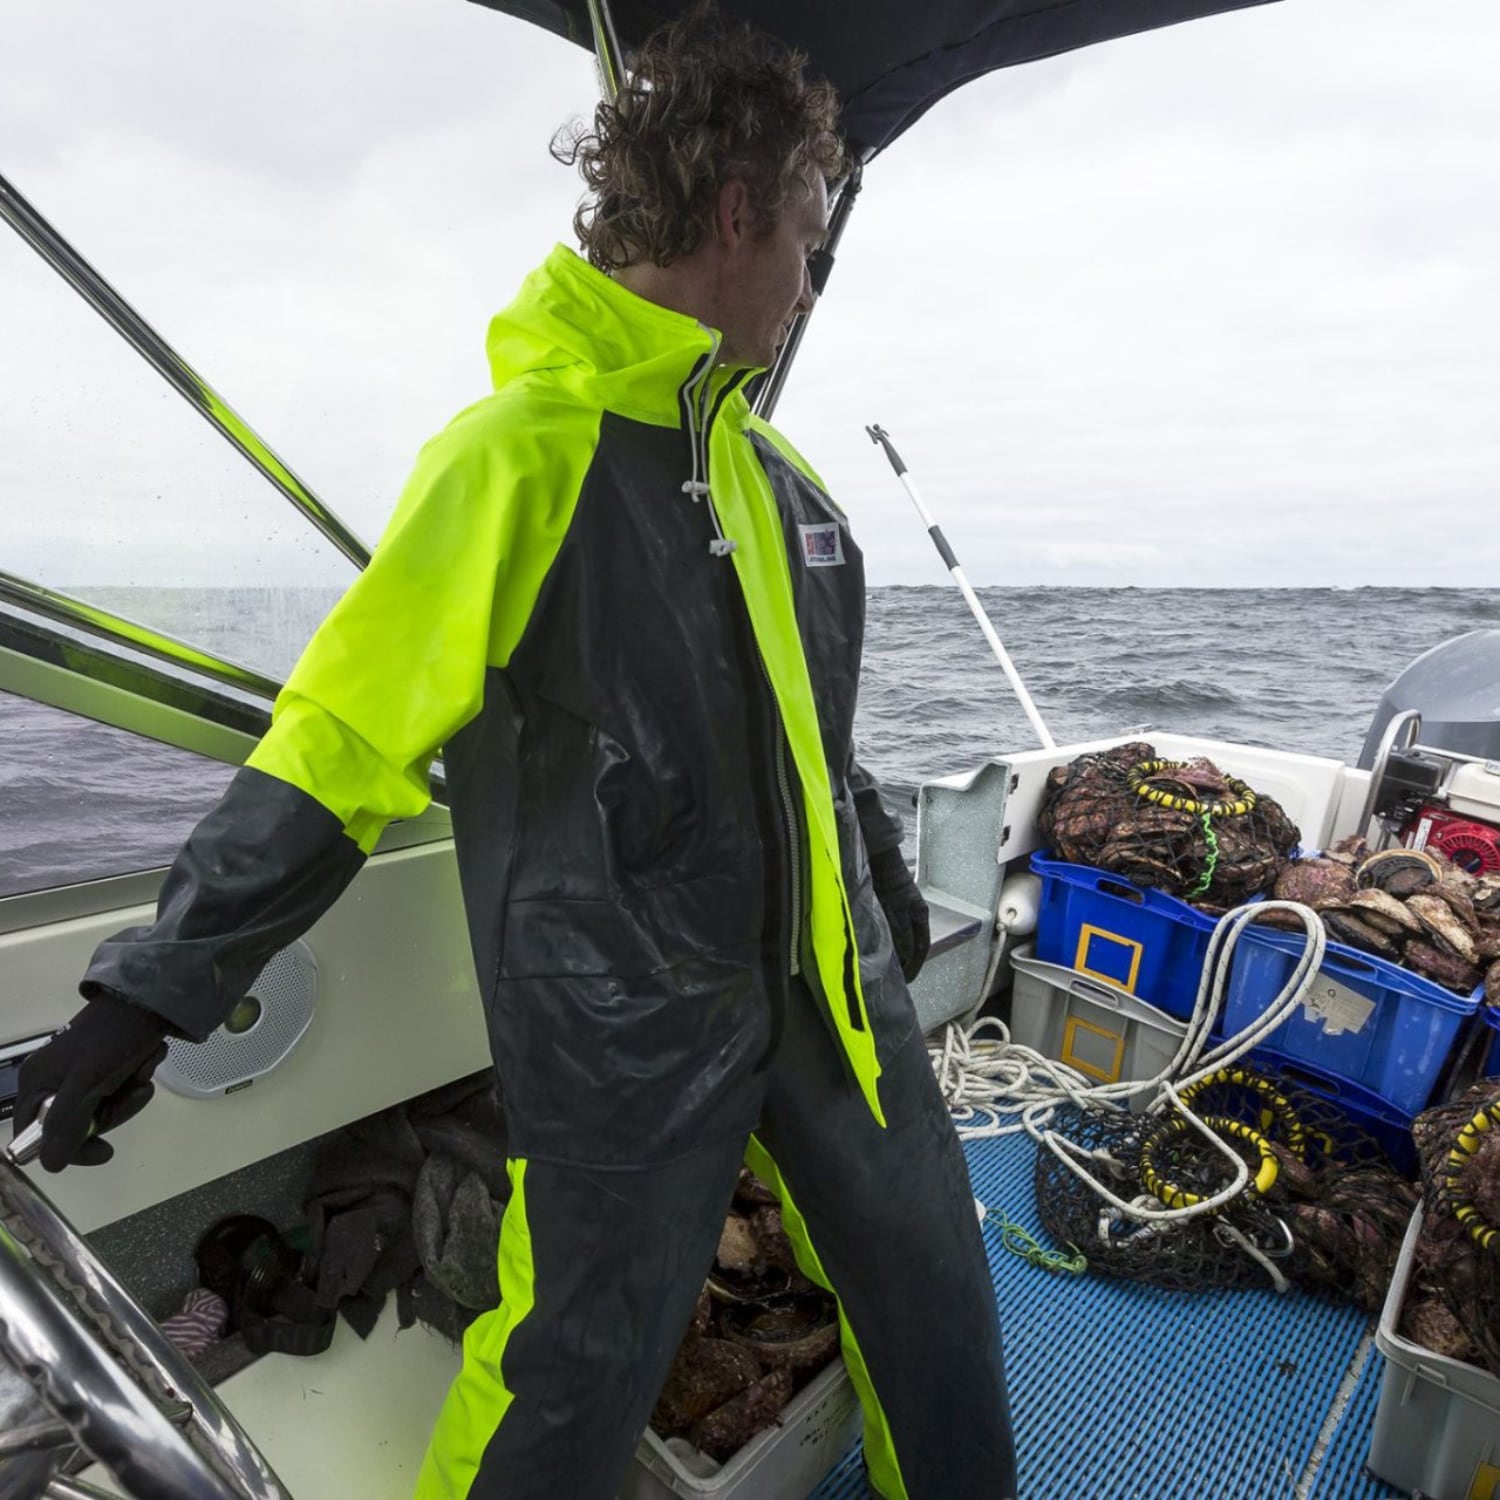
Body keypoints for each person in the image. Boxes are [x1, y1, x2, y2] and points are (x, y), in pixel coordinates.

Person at [16, 10, 1016, 1497]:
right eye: (808, 241)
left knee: (940, 1302)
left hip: (835, 1003)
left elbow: (823, 743)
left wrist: (878, 877)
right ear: (736, 211)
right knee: (571, 1381)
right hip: (624, 1041)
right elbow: (341, 738)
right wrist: (152, 992)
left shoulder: (787, 485)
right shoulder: (513, 459)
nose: (812, 283)